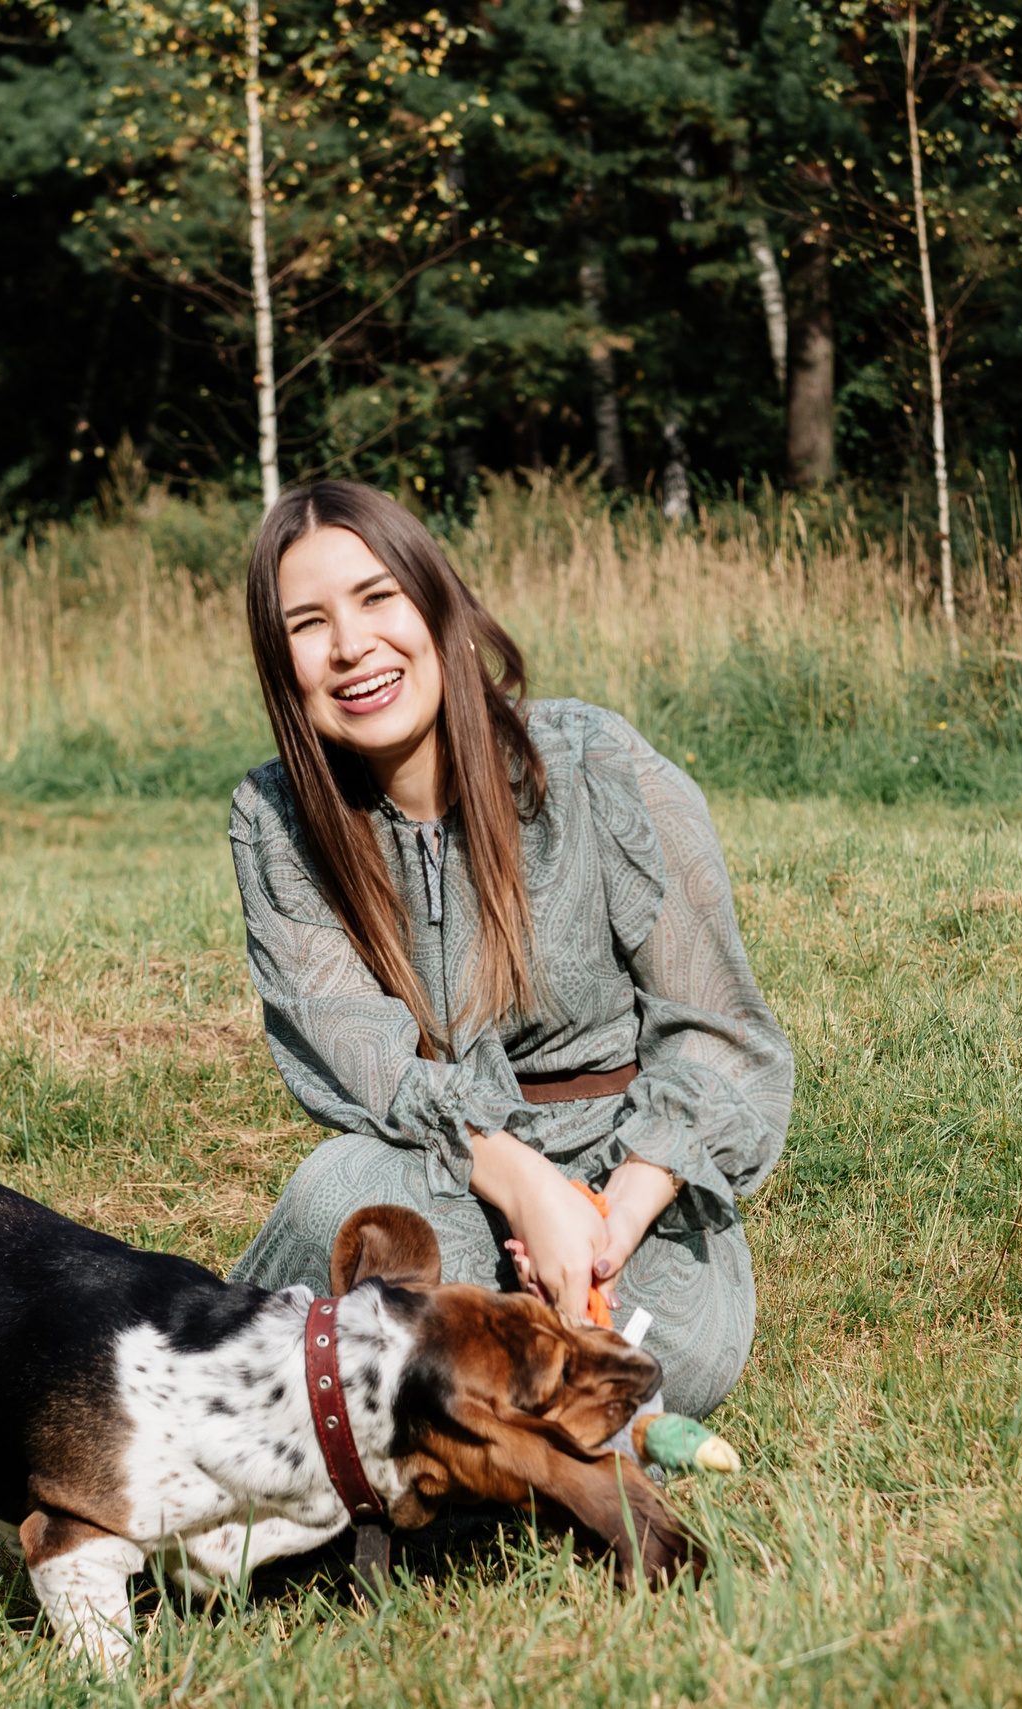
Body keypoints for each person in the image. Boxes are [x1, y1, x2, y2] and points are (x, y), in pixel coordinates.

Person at [227, 480, 794, 1420]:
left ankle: (428, 1409)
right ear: (280, 661)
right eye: (308, 624)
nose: (351, 645)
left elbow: (720, 1033)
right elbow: (363, 1059)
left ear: (435, 602)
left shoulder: (595, 763)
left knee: (664, 1354)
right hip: (437, 1169)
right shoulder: (276, 820)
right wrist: (524, 1183)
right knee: (337, 1201)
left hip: (626, 1172)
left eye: (376, 598)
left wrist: (611, 1215)